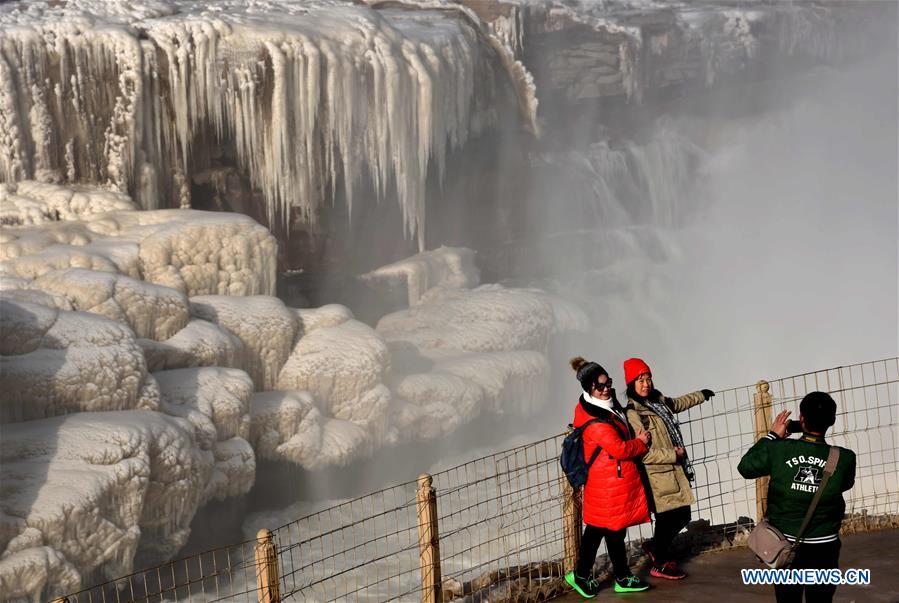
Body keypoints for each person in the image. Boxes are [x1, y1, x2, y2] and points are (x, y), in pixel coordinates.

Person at [737, 391, 856, 603]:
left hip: (784, 545)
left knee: (787, 598)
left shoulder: (780, 449)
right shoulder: (845, 458)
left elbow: (746, 467)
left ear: (801, 419)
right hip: (824, 546)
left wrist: (772, 436)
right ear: (832, 421)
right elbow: (844, 484)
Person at [565, 357, 653, 599]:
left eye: (608, 383)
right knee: (608, 531)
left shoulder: (600, 405)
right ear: (588, 389)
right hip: (608, 484)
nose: (606, 389)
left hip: (609, 483)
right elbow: (621, 449)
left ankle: (598, 576)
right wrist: (641, 443)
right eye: (599, 386)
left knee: (606, 530)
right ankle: (610, 577)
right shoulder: (596, 422)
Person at [622, 357, 715, 580]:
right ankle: (660, 560)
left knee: (681, 514)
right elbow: (642, 453)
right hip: (658, 476)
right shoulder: (634, 413)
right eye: (640, 380)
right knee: (670, 517)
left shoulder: (658, 400)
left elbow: (677, 403)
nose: (646, 384)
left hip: (674, 470)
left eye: (648, 378)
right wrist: (674, 454)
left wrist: (701, 395)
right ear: (631, 384)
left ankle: (657, 549)